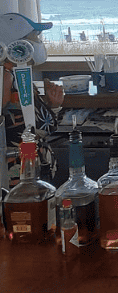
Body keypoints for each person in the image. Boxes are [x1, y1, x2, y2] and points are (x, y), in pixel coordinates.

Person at [0, 12, 63, 184]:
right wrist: (54, 107)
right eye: (34, 36)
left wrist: (51, 105)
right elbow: (36, 128)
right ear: (16, 44)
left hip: (29, 170)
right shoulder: (7, 77)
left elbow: (33, 125)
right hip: (18, 175)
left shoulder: (18, 74)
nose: (39, 42)